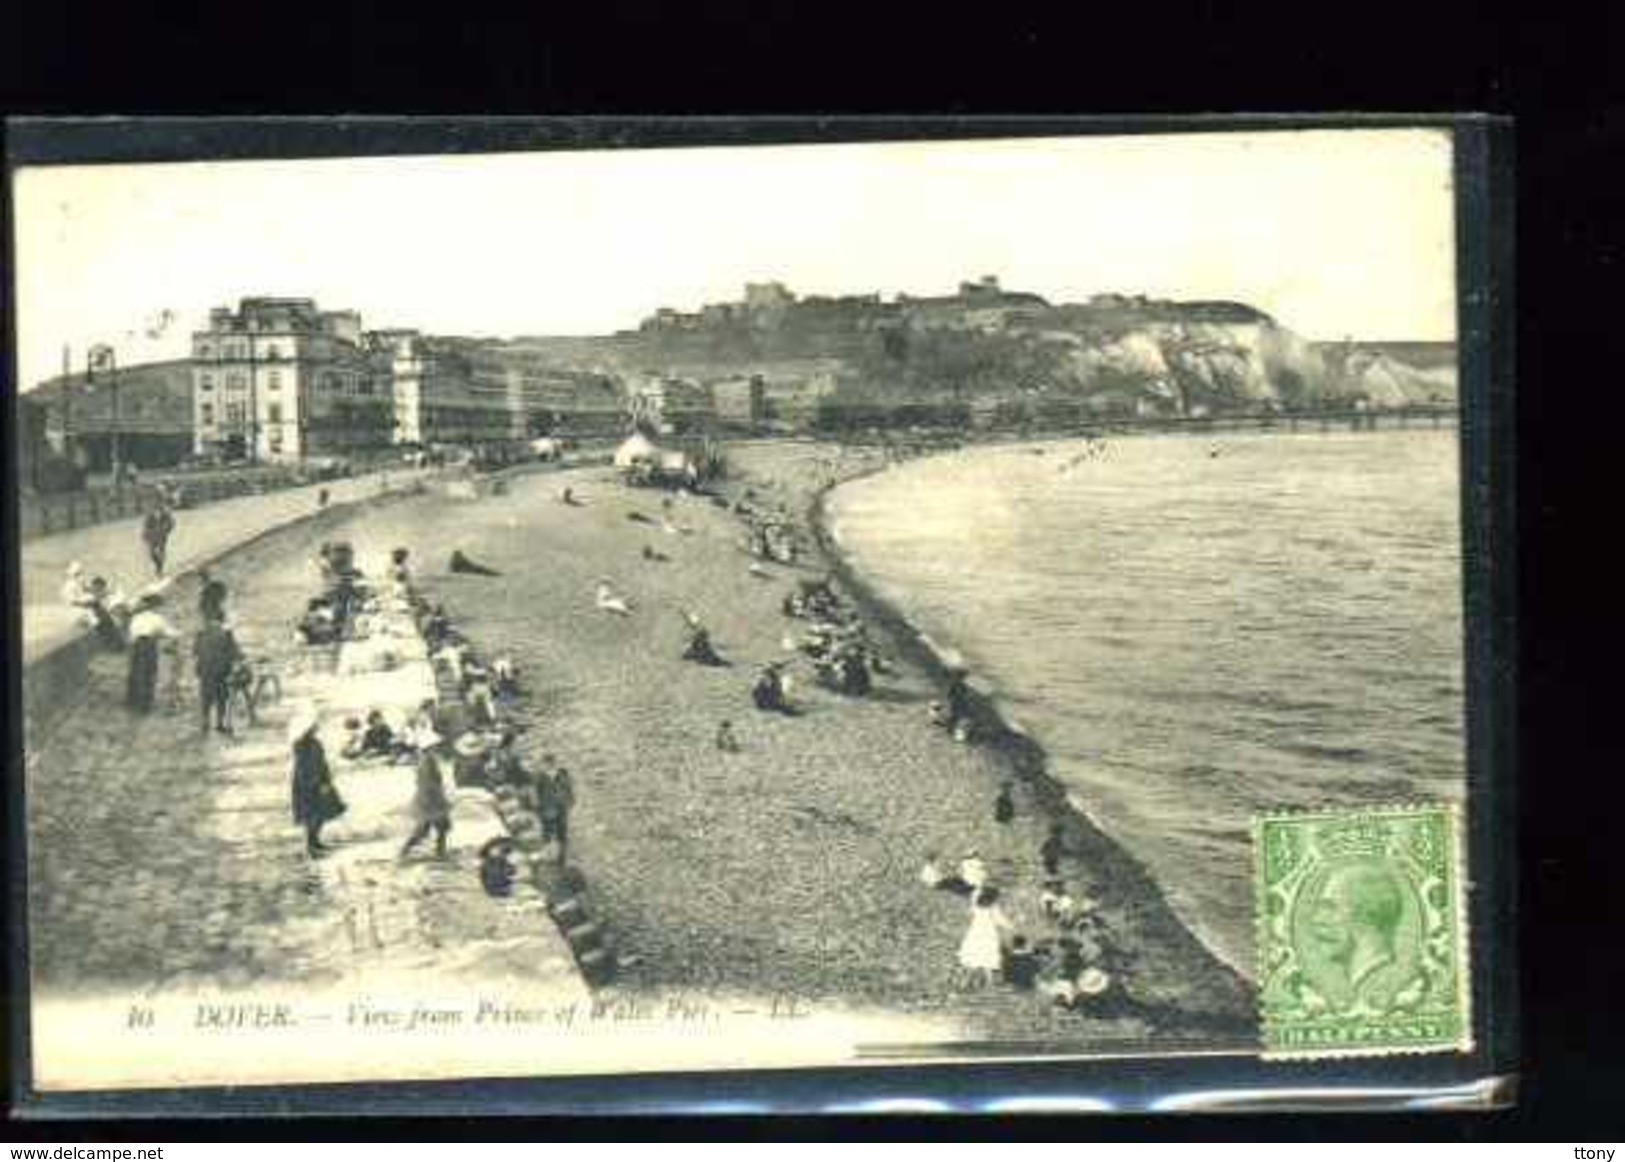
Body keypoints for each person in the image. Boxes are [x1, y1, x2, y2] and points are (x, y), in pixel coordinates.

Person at [289, 708, 345, 857]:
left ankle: (316, 841)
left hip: (320, 781)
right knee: (311, 816)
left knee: (321, 814)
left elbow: (323, 763)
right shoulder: (300, 746)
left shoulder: (317, 743)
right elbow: (302, 769)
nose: (315, 729)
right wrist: (313, 783)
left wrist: (326, 780)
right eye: (312, 727)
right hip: (307, 785)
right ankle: (310, 844)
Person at [401, 728, 454, 860]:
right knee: (430, 827)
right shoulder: (427, 762)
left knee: (436, 827)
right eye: (435, 746)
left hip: (429, 798)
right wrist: (442, 800)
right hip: (430, 799)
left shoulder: (427, 760)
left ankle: (438, 851)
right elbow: (429, 784)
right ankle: (407, 851)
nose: (438, 748)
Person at [125, 593, 177, 713]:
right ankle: (145, 704)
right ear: (155, 606)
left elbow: (131, 635)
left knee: (135, 672)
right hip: (149, 646)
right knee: (149, 673)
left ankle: (132, 701)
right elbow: (167, 632)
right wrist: (177, 634)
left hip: (137, 645)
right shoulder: (157, 618)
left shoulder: (137, 617)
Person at [193, 610, 243, 736]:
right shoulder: (227, 633)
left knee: (206, 695)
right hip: (221, 670)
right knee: (221, 696)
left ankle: (205, 721)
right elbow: (234, 652)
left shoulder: (201, 633)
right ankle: (219, 723)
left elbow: (195, 651)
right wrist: (241, 658)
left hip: (205, 669)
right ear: (222, 620)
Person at [957, 887, 1013, 988]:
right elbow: (1000, 920)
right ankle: (990, 982)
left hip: (975, 932)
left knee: (974, 956)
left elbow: (970, 912)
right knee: (988, 957)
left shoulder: (976, 906)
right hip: (988, 933)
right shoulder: (993, 907)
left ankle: (965, 982)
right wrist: (1010, 926)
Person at [534, 763, 576, 864]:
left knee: (558, 835)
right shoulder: (543, 778)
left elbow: (570, 797)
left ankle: (559, 857)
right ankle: (553, 856)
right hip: (551, 812)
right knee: (552, 834)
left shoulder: (561, 779)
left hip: (556, 812)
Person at [141, 502, 176, 577]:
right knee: (152, 554)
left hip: (162, 536)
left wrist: (166, 530)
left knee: (161, 553)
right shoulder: (149, 517)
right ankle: (158, 564)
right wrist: (145, 538)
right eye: (155, 512)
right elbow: (145, 529)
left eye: (159, 512)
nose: (157, 514)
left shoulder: (166, 515)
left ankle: (159, 569)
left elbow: (172, 523)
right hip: (152, 537)